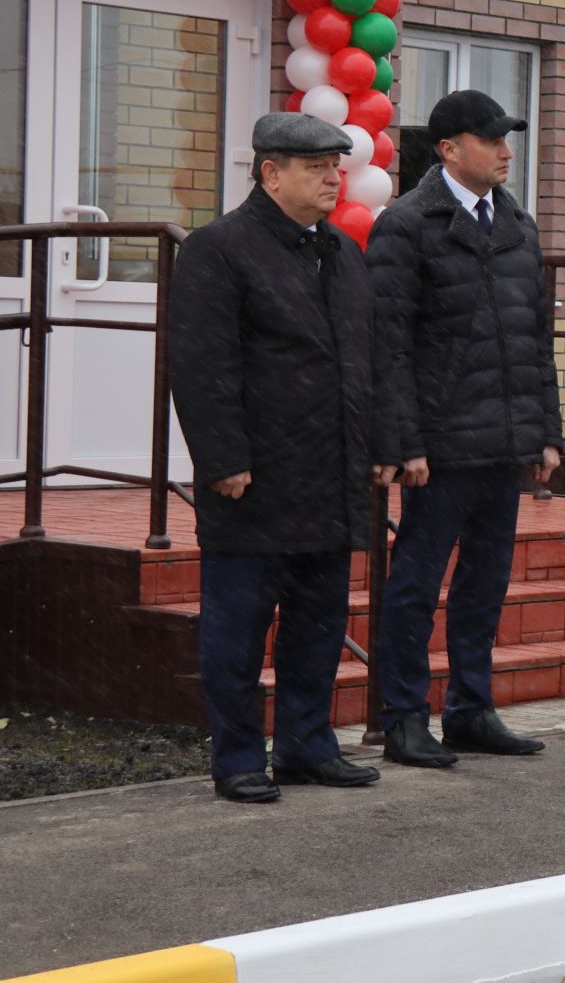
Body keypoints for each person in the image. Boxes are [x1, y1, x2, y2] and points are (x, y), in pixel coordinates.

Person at [167, 113, 386, 803]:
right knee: (237, 631)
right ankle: (236, 757)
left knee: (319, 624)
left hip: (331, 474)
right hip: (254, 480)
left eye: (337, 166)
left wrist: (377, 446)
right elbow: (202, 366)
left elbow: (365, 363)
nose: (333, 178)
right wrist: (223, 459)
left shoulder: (342, 253)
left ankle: (306, 746)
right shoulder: (218, 249)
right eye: (317, 166)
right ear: (270, 172)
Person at [366, 90, 562, 768]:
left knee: (485, 584)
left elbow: (535, 338)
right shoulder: (407, 224)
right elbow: (386, 344)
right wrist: (403, 441)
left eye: (509, 138)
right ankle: (403, 718)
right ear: (449, 149)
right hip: (441, 443)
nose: (508, 151)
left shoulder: (517, 222)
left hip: (505, 440)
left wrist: (547, 431)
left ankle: (472, 710)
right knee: (417, 584)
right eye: (492, 139)